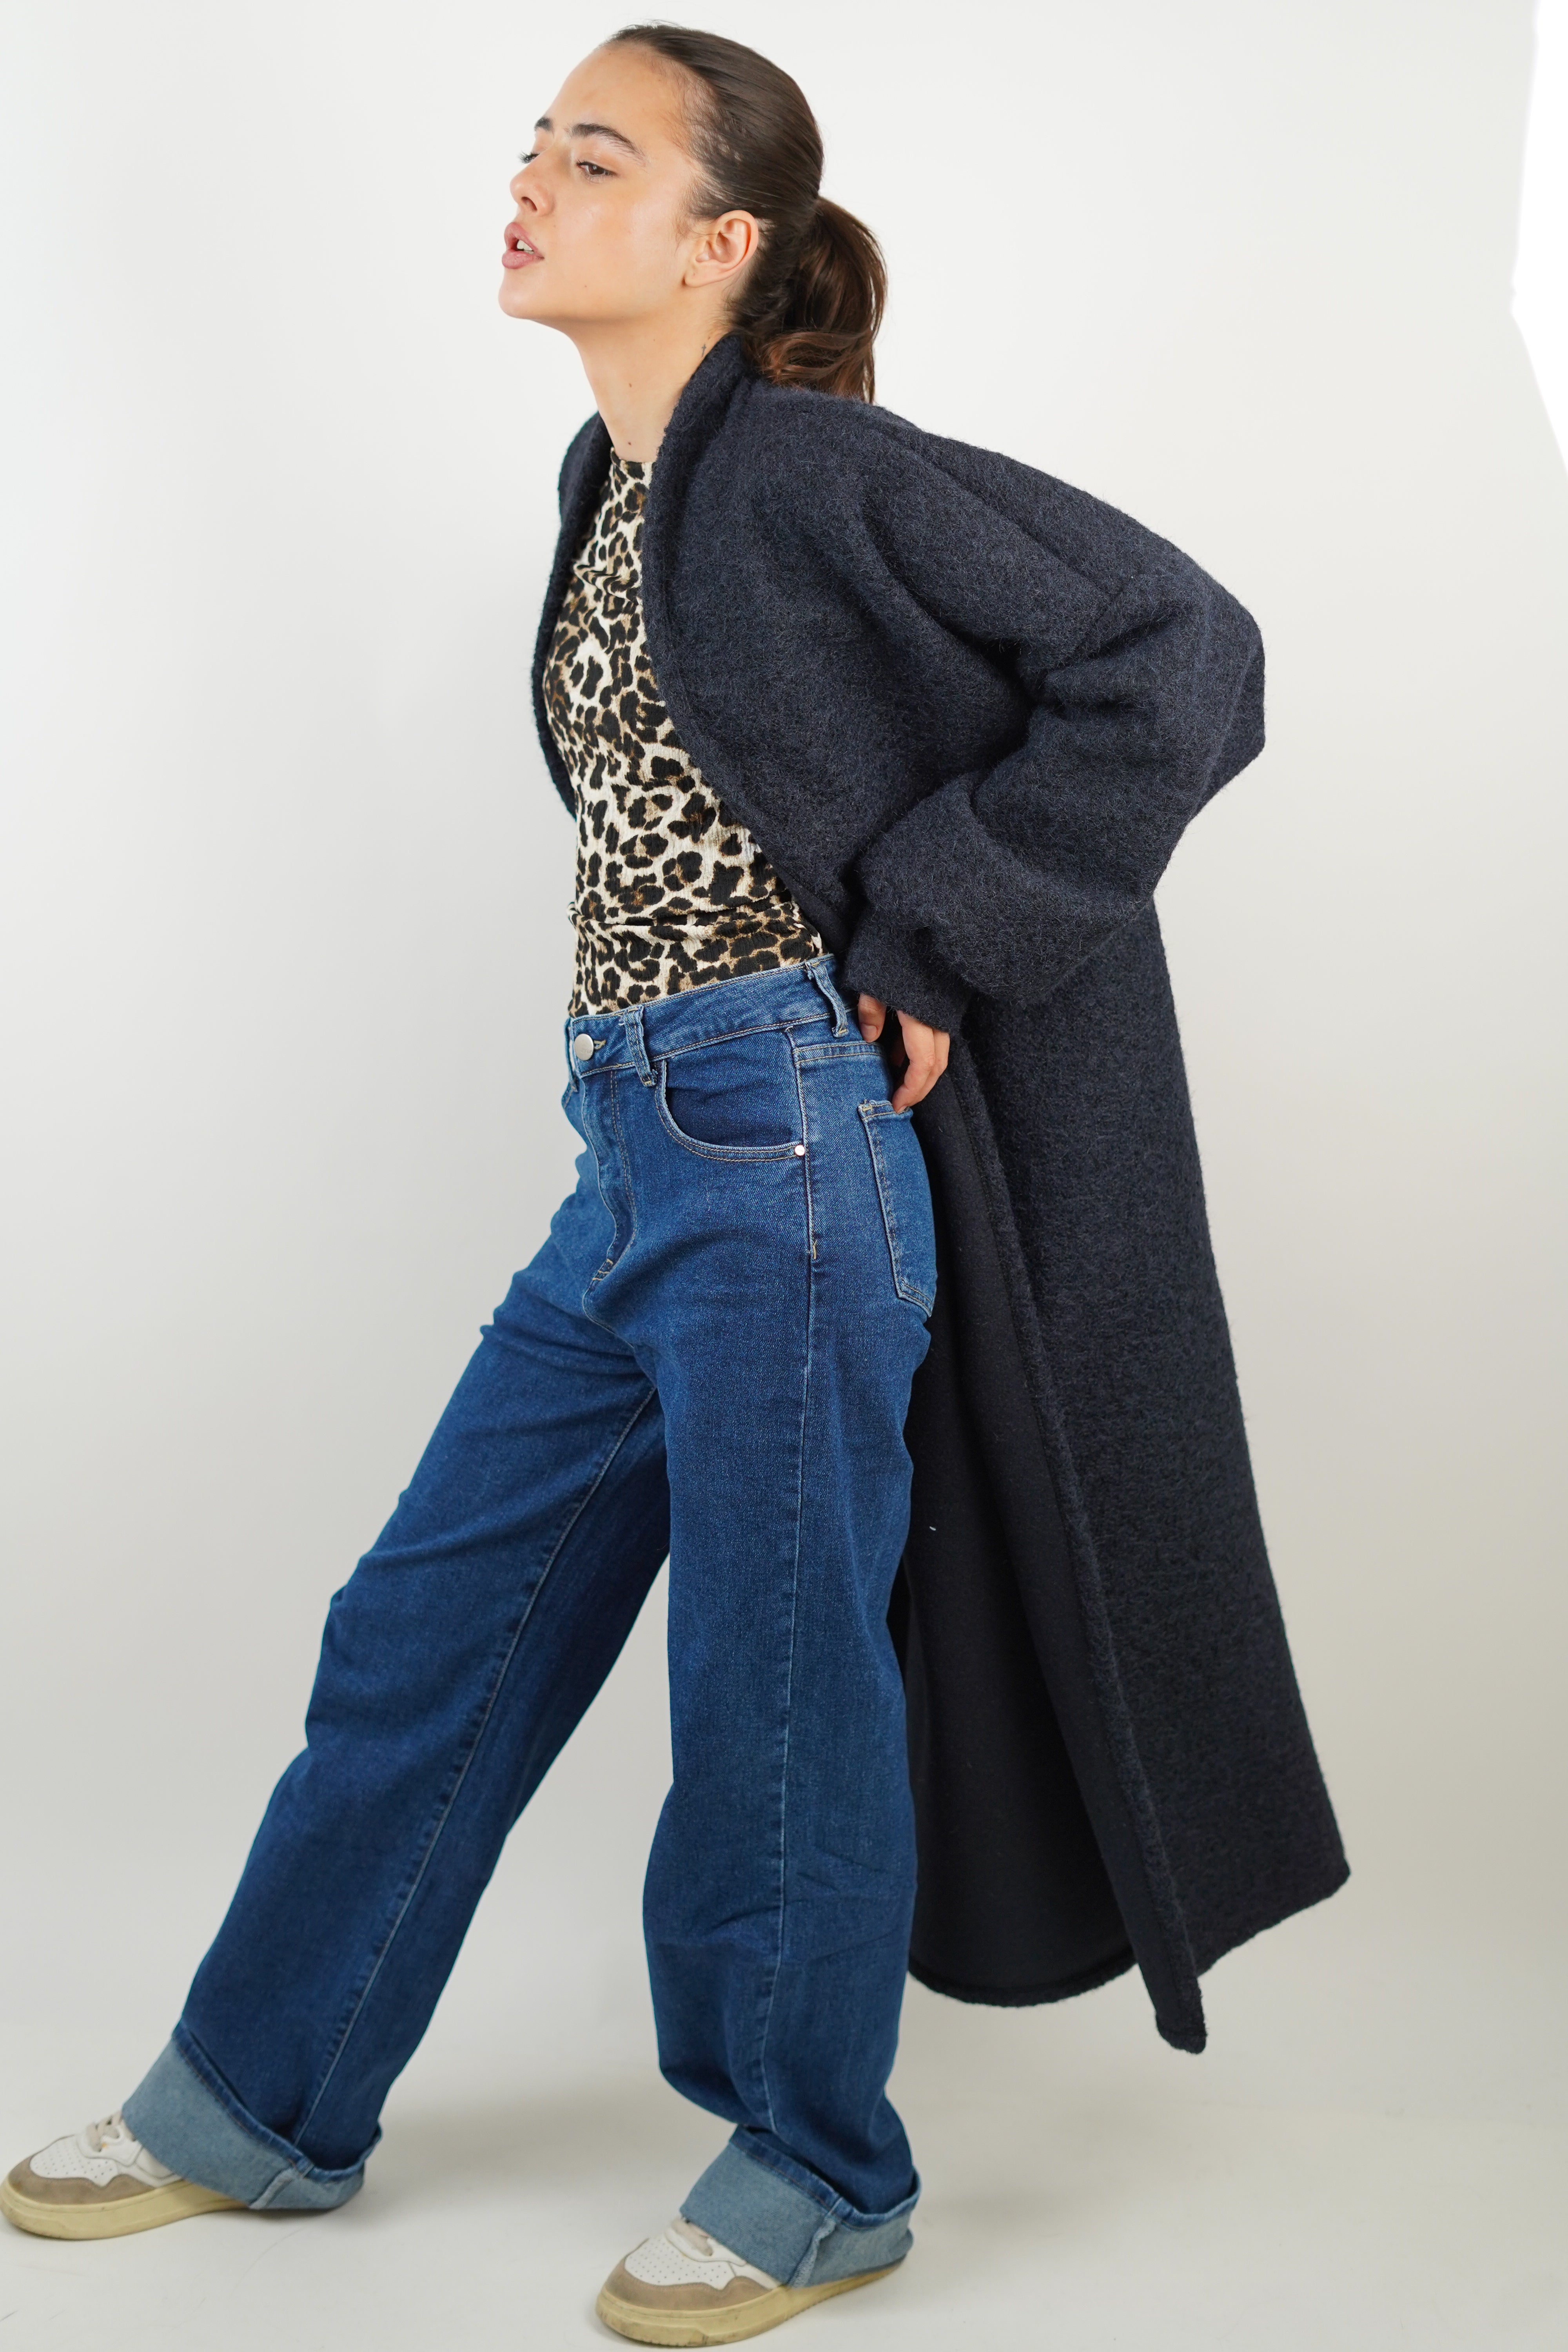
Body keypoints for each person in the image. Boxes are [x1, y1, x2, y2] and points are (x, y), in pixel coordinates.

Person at [2, 22, 1347, 2343]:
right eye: (534, 144)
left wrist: (938, 931)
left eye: (596, 157)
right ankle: (259, 2098)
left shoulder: (815, 469)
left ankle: (817, 2171)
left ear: (725, 243)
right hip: (636, 1149)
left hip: (782, 1140)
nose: (532, 182)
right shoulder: (613, 486)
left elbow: (1183, 651)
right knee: (424, 1628)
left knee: (774, 1681)